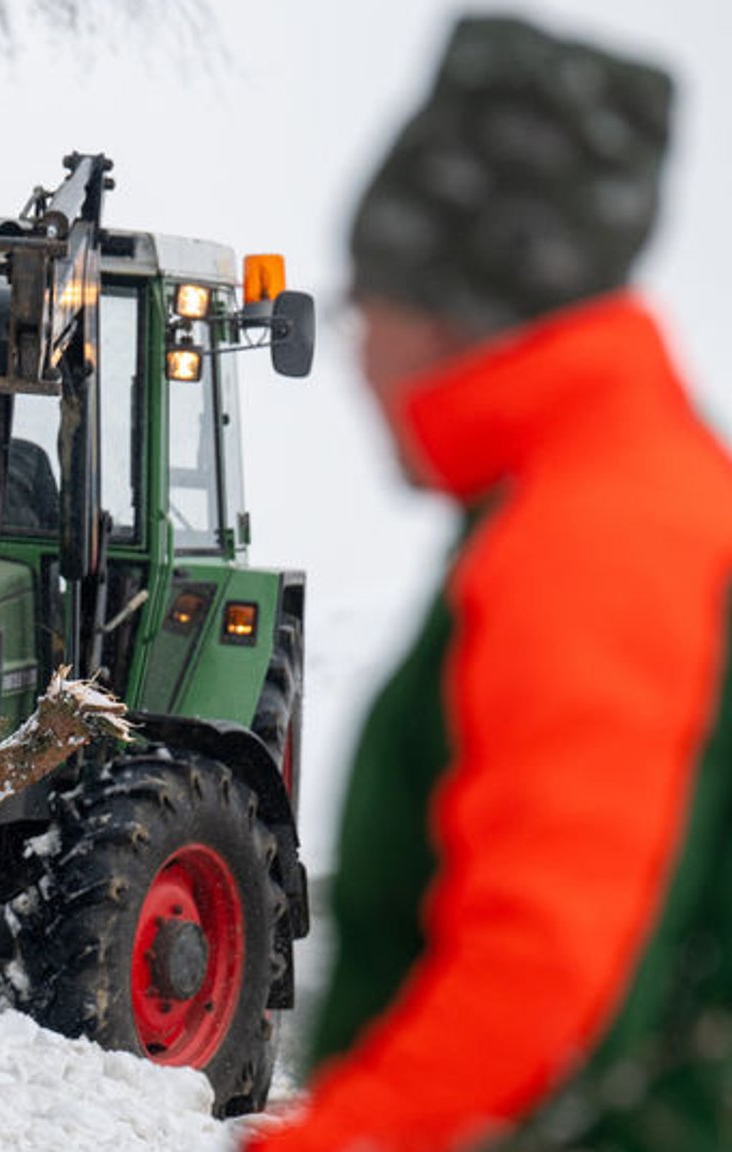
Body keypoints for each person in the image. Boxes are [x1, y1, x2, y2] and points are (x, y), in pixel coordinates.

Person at [245, 14, 732, 1152]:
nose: (357, 355)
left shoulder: (599, 534)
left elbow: (546, 982)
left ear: (443, 309)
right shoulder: (607, 489)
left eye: (368, 303)